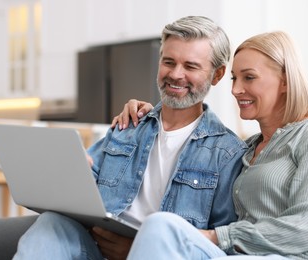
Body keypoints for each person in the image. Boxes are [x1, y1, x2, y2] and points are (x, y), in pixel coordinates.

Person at [13, 16, 247, 260]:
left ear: (217, 75)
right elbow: (85, 190)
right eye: (169, 62)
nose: (176, 74)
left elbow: (219, 243)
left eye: (191, 66)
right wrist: (72, 172)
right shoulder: (128, 125)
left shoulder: (227, 153)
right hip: (97, 249)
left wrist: (138, 249)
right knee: (51, 223)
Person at [116, 31, 308, 259]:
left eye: (249, 77)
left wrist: (217, 237)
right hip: (240, 253)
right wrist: (150, 116)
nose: (235, 90)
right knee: (160, 226)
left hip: (298, 256)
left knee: (165, 228)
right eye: (234, 78)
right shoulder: (243, 150)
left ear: (285, 81)